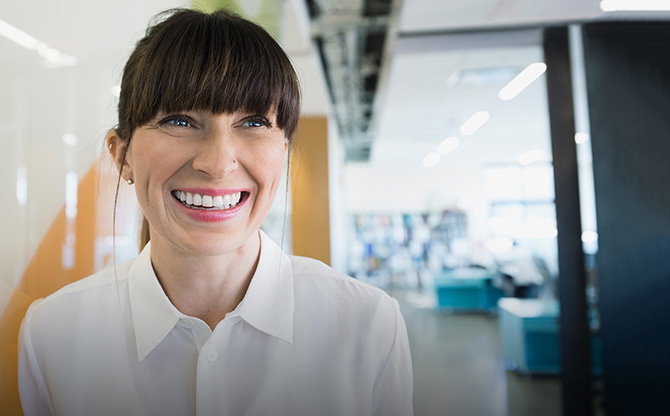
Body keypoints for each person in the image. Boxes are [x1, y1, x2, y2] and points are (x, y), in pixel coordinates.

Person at [17, 9, 413, 416]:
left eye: (254, 122)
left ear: (283, 154)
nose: (218, 163)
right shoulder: (52, 335)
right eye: (179, 120)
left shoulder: (367, 325)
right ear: (122, 157)